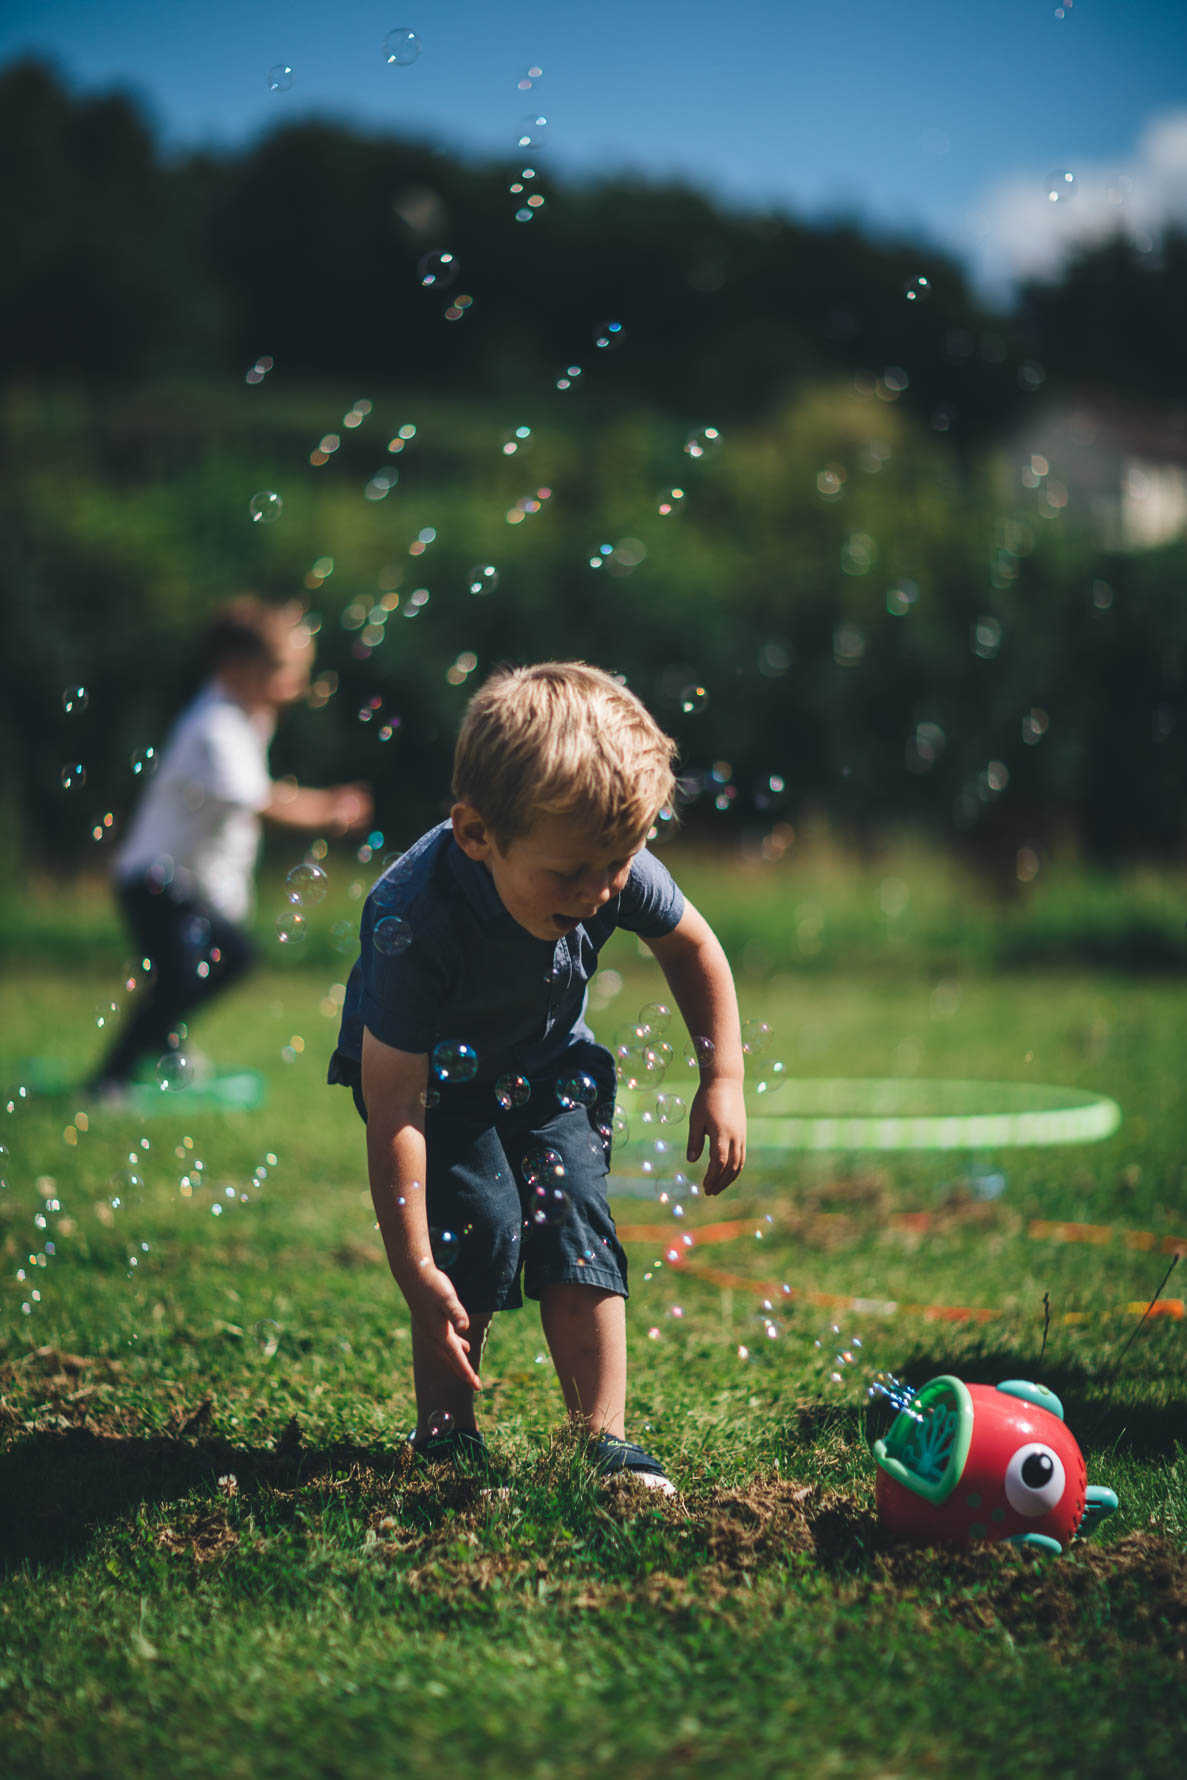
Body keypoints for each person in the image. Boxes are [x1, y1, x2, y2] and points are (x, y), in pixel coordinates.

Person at [328, 661, 746, 1492]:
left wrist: (721, 1078)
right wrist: (414, 1267)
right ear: (478, 834)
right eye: (568, 877)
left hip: (550, 1066)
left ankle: (604, 1441)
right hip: (432, 1093)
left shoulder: (596, 849)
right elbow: (397, 1107)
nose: (597, 894)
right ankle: (446, 1434)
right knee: (471, 1231)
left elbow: (692, 945)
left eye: (617, 866)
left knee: (576, 1219)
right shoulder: (411, 918)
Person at [88, 596, 372, 1096]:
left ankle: (164, 1044)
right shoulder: (213, 728)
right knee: (198, 969)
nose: (295, 685)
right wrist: (329, 808)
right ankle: (108, 1080)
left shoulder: (247, 715)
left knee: (208, 965)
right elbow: (262, 802)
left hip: (177, 881)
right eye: (282, 670)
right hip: (152, 878)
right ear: (234, 668)